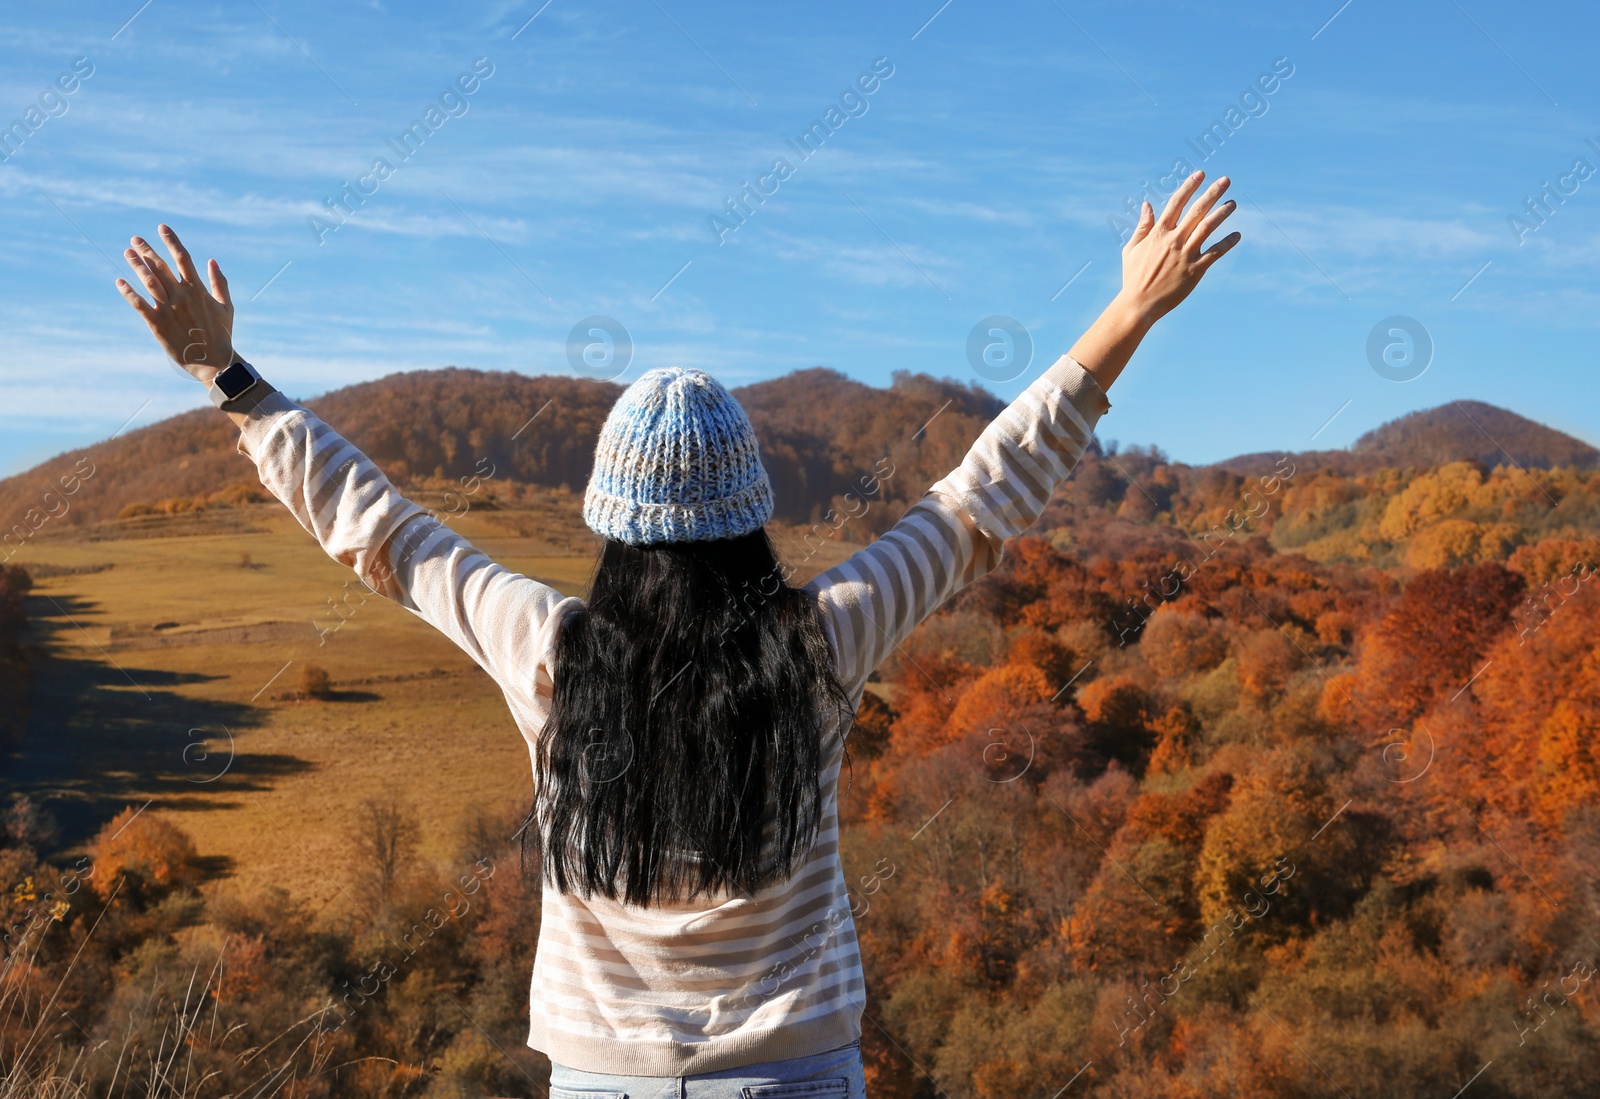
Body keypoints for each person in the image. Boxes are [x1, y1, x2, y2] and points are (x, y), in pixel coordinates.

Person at [115, 170, 1238, 1098]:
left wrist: (230, 377)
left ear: (610, 525)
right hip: (796, 1072)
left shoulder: (552, 650)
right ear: (751, 515)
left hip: (604, 1079)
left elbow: (383, 532)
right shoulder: (823, 641)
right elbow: (981, 494)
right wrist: (1127, 311)